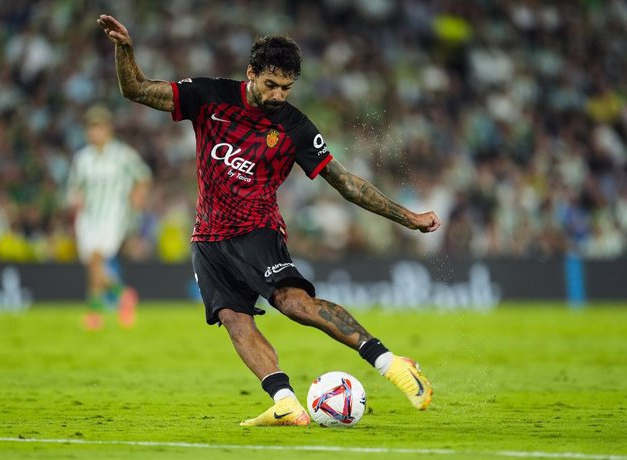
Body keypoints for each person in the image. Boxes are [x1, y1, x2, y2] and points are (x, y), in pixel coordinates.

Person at [97, 14, 441, 426]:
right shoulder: (208, 95)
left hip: (257, 230)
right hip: (206, 238)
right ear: (251, 74)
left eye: (286, 88)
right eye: (271, 85)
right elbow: (135, 89)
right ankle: (285, 402)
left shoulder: (294, 126)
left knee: (294, 304)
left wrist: (408, 218)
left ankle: (390, 362)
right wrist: (125, 50)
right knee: (233, 318)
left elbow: (346, 183)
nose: (279, 95)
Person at [66, 104, 152, 330]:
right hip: (88, 218)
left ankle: (94, 313)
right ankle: (122, 295)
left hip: (113, 216)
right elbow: (75, 187)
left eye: (98, 127)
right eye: (90, 128)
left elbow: (143, 176)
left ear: (108, 129)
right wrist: (75, 202)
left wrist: (137, 197)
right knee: (95, 266)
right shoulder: (82, 159)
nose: (93, 132)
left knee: (95, 259)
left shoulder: (123, 155)